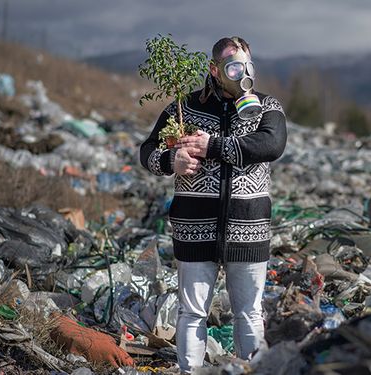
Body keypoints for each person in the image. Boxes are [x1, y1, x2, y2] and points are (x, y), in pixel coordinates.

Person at [139, 36, 287, 373]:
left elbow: (271, 144)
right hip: (194, 226)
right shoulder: (184, 108)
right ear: (214, 69)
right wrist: (169, 161)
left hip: (248, 228)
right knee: (192, 312)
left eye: (247, 64)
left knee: (248, 313)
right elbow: (147, 149)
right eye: (233, 65)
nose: (242, 71)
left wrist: (214, 146)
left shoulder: (267, 106)